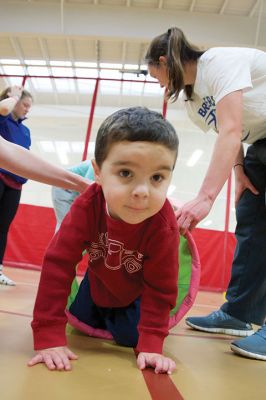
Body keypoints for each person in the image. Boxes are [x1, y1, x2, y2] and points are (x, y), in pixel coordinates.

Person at [28, 106, 180, 374]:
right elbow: (58, 264)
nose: (142, 192)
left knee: (130, 338)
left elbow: (161, 287)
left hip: (136, 294)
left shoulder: (163, 224)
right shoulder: (87, 206)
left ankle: (122, 322)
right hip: (97, 282)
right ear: (97, 172)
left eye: (157, 178)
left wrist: (153, 344)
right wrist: (49, 334)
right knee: (80, 323)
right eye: (125, 174)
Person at [145, 27, 266, 361]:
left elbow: (230, 127)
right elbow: (233, 134)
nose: (158, 84)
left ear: (164, 61)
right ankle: (239, 314)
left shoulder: (218, 62)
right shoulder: (193, 102)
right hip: (260, 143)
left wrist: (207, 197)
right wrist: (240, 172)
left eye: (156, 75)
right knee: (252, 228)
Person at [0, 85, 34, 285]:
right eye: (25, 105)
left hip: (15, 185)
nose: (28, 109)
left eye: (30, 106)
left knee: (3, 228)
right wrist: (13, 95)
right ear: (15, 102)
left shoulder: (25, 131)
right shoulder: (3, 119)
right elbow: (4, 108)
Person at [52, 160, 94, 231]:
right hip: (64, 188)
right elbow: (86, 191)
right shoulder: (98, 164)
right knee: (65, 226)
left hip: (75, 188)